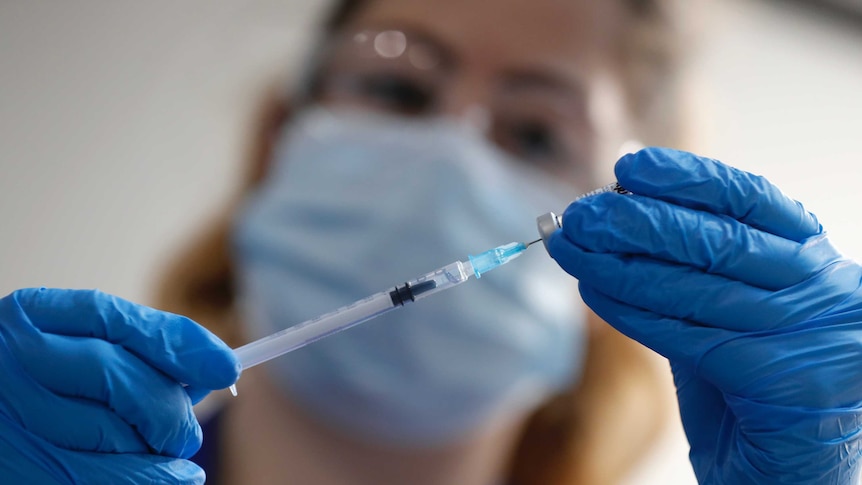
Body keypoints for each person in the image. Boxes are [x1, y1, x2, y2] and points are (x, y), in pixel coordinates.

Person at [4, 2, 862, 485]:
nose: (450, 150)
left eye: (534, 136)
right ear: (278, 141)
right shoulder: (56, 455)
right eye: (396, 86)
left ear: (627, 255)